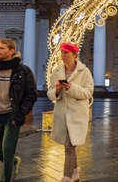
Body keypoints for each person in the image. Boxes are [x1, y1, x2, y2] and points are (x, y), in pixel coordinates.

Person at [0, 39, 37, 182]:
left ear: (11, 51)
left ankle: (6, 178)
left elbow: (31, 94)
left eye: (2, 48)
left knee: (7, 151)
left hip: (13, 116)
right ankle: (14, 162)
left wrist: (22, 112)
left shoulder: (23, 71)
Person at [47, 42, 94, 182]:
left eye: (66, 53)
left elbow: (88, 92)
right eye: (62, 52)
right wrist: (56, 90)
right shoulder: (57, 71)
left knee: (69, 145)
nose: (63, 55)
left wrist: (70, 88)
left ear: (74, 55)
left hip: (76, 115)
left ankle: (67, 176)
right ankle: (75, 173)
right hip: (62, 115)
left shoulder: (84, 72)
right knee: (70, 145)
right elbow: (49, 92)